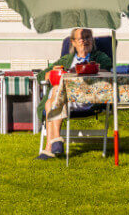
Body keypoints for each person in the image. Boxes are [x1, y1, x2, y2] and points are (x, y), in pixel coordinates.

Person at [35, 27, 113, 160]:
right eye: (81, 38)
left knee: (52, 100)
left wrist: (90, 69)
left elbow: (108, 69)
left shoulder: (99, 57)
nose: (84, 41)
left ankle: (50, 147)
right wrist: (53, 73)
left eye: (88, 37)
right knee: (53, 97)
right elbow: (41, 76)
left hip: (86, 98)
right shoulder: (66, 60)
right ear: (73, 42)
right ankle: (55, 142)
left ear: (92, 41)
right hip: (64, 100)